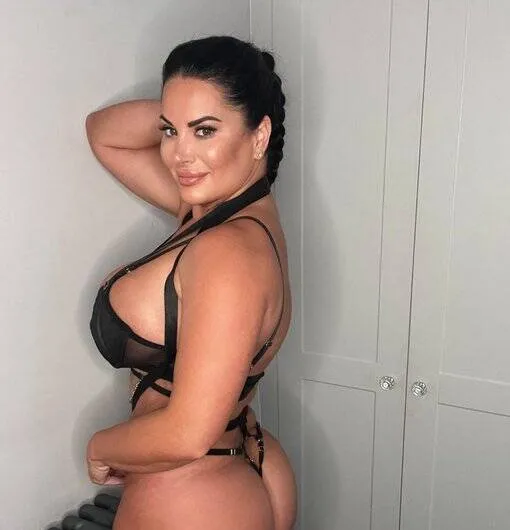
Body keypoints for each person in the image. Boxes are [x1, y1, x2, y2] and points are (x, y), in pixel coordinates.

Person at [84, 35, 297, 530]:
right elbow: (102, 133)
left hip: (195, 498)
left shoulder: (227, 251)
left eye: (204, 131)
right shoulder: (213, 214)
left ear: (259, 136)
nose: (179, 155)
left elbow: (186, 434)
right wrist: (190, 109)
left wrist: (99, 448)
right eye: (169, 131)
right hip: (223, 473)